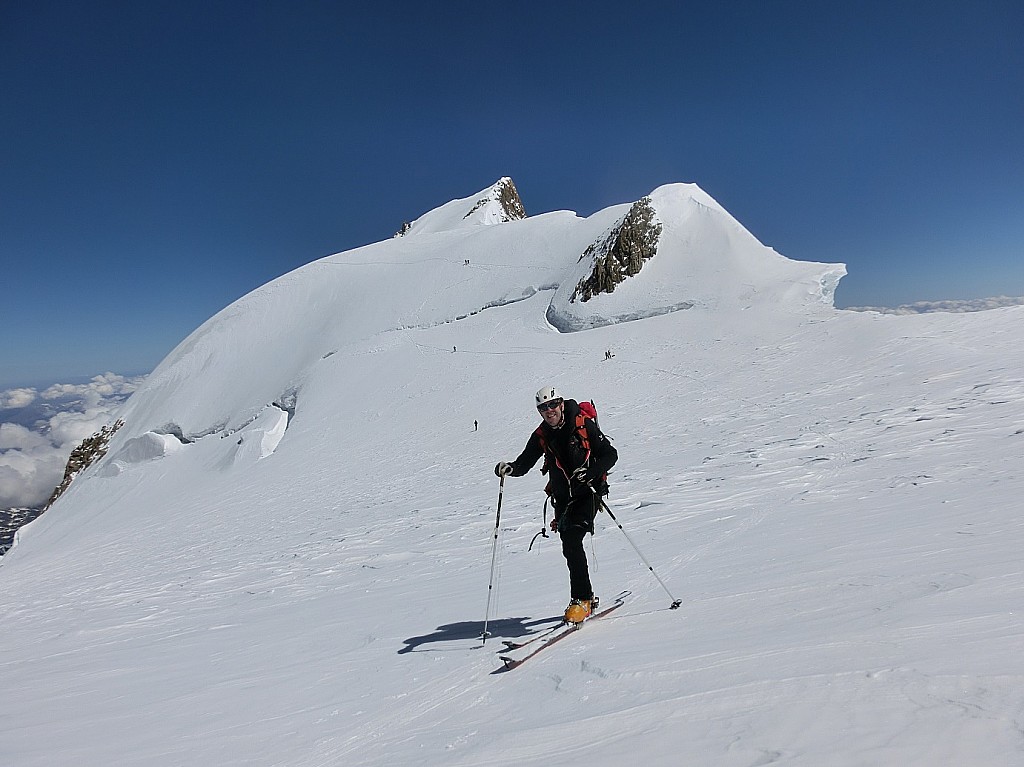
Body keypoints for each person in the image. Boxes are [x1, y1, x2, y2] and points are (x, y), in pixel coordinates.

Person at [495, 386, 618, 623]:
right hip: (563, 499)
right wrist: (509, 468)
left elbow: (610, 455)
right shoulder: (542, 435)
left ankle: (581, 599)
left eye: (552, 404)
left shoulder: (582, 424)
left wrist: (590, 473)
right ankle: (587, 597)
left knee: (572, 539)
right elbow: (524, 463)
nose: (549, 410)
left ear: (561, 404)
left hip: (588, 492)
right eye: (543, 407)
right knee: (568, 546)